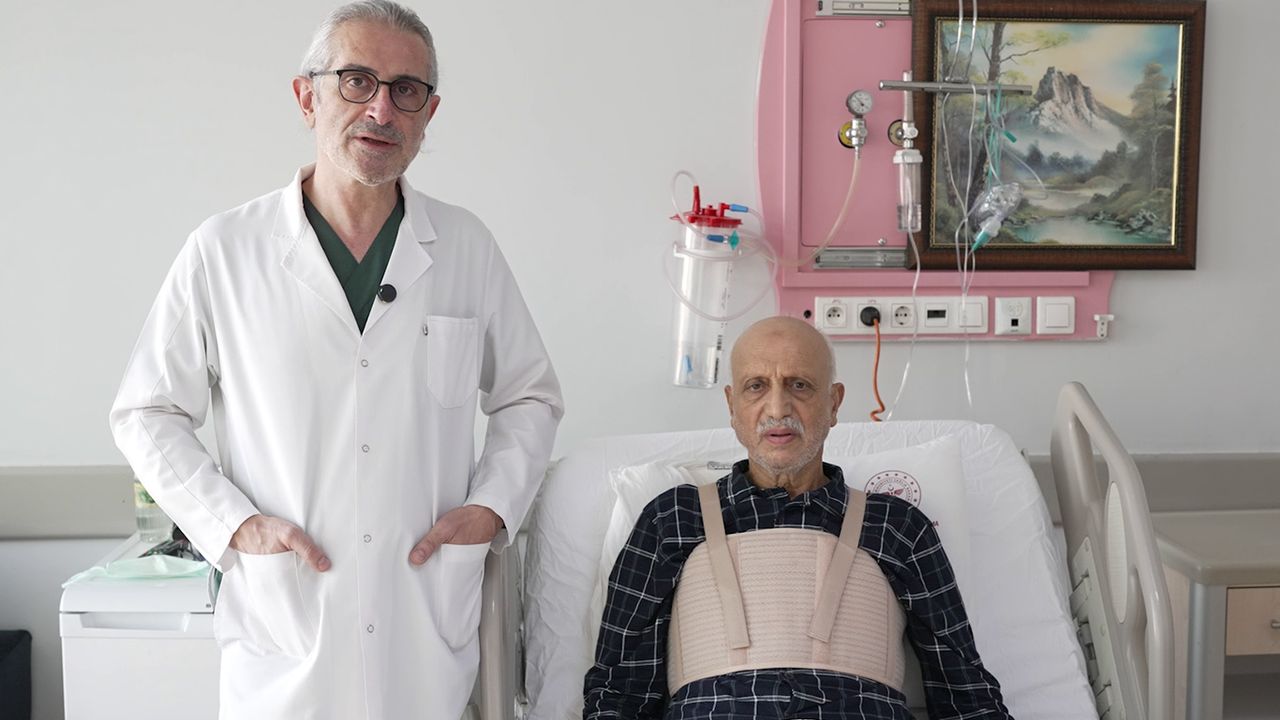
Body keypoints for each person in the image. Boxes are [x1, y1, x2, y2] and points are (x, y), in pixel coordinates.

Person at [109, 2, 563, 718]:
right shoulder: (225, 251)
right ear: (306, 97)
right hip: (285, 635)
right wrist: (233, 525)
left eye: (406, 90)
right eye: (357, 81)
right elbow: (145, 411)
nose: (381, 109)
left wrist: (489, 509)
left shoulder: (465, 247)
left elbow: (528, 397)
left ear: (428, 114)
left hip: (423, 629)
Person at [583, 316, 1010, 719]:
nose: (777, 408)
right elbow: (620, 693)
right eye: (756, 386)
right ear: (732, 405)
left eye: (799, 385)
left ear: (833, 403)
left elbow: (966, 696)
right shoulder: (672, 519)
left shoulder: (897, 527)